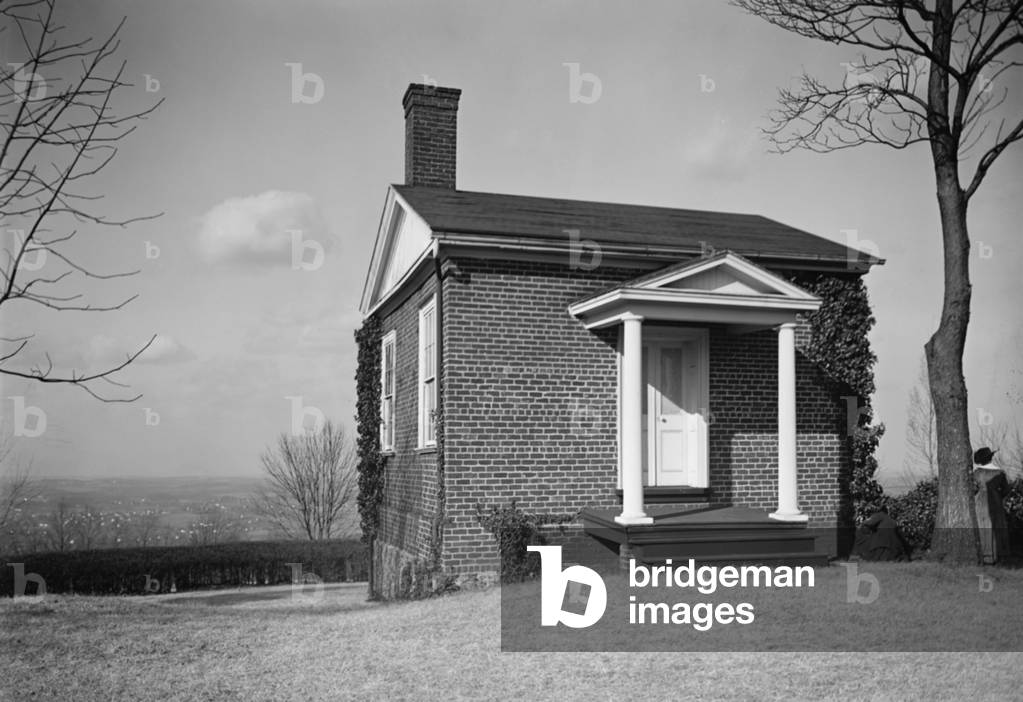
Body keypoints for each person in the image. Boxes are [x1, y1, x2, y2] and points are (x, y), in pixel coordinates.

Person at [973, 446, 1010, 565]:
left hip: (979, 502)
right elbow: (1006, 490)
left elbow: (972, 488)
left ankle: (984, 555)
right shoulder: (999, 472)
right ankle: (998, 555)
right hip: (995, 501)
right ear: (990, 458)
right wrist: (998, 497)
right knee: (996, 527)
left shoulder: (976, 473)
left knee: (982, 526)